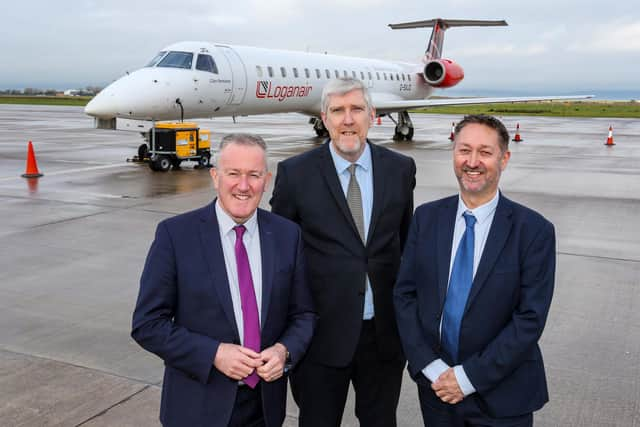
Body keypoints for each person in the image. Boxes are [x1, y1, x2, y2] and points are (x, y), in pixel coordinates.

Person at [131, 133, 316, 427]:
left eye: (254, 175)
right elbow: (148, 324)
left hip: (264, 409)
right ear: (215, 176)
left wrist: (284, 351)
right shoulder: (176, 235)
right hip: (198, 408)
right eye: (234, 174)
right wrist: (213, 353)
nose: (244, 186)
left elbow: (304, 314)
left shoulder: (286, 235)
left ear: (266, 180)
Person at [270, 77, 416, 427]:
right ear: (324, 116)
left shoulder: (400, 170)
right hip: (320, 338)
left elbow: (405, 243)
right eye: (338, 110)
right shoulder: (295, 174)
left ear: (373, 115)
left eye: (356, 109)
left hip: (383, 338)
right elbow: (280, 258)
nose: (347, 120)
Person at [394, 114, 556, 426]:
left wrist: (467, 378)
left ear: (504, 158)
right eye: (464, 150)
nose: (472, 162)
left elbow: (529, 319)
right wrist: (430, 366)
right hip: (436, 390)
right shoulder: (427, 218)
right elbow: (405, 296)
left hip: (503, 396)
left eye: (485, 152)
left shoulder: (534, 231)